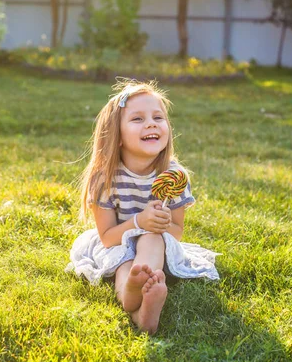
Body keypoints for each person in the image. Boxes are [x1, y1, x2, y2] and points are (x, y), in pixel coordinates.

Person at [66, 80, 219, 335]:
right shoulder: (104, 179)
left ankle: (143, 280)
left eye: (158, 117)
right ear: (116, 136)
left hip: (157, 247)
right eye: (138, 119)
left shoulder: (174, 175)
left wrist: (155, 225)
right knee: (124, 262)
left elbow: (177, 232)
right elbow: (107, 238)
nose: (151, 123)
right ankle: (139, 308)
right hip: (116, 245)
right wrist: (138, 222)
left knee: (152, 239)